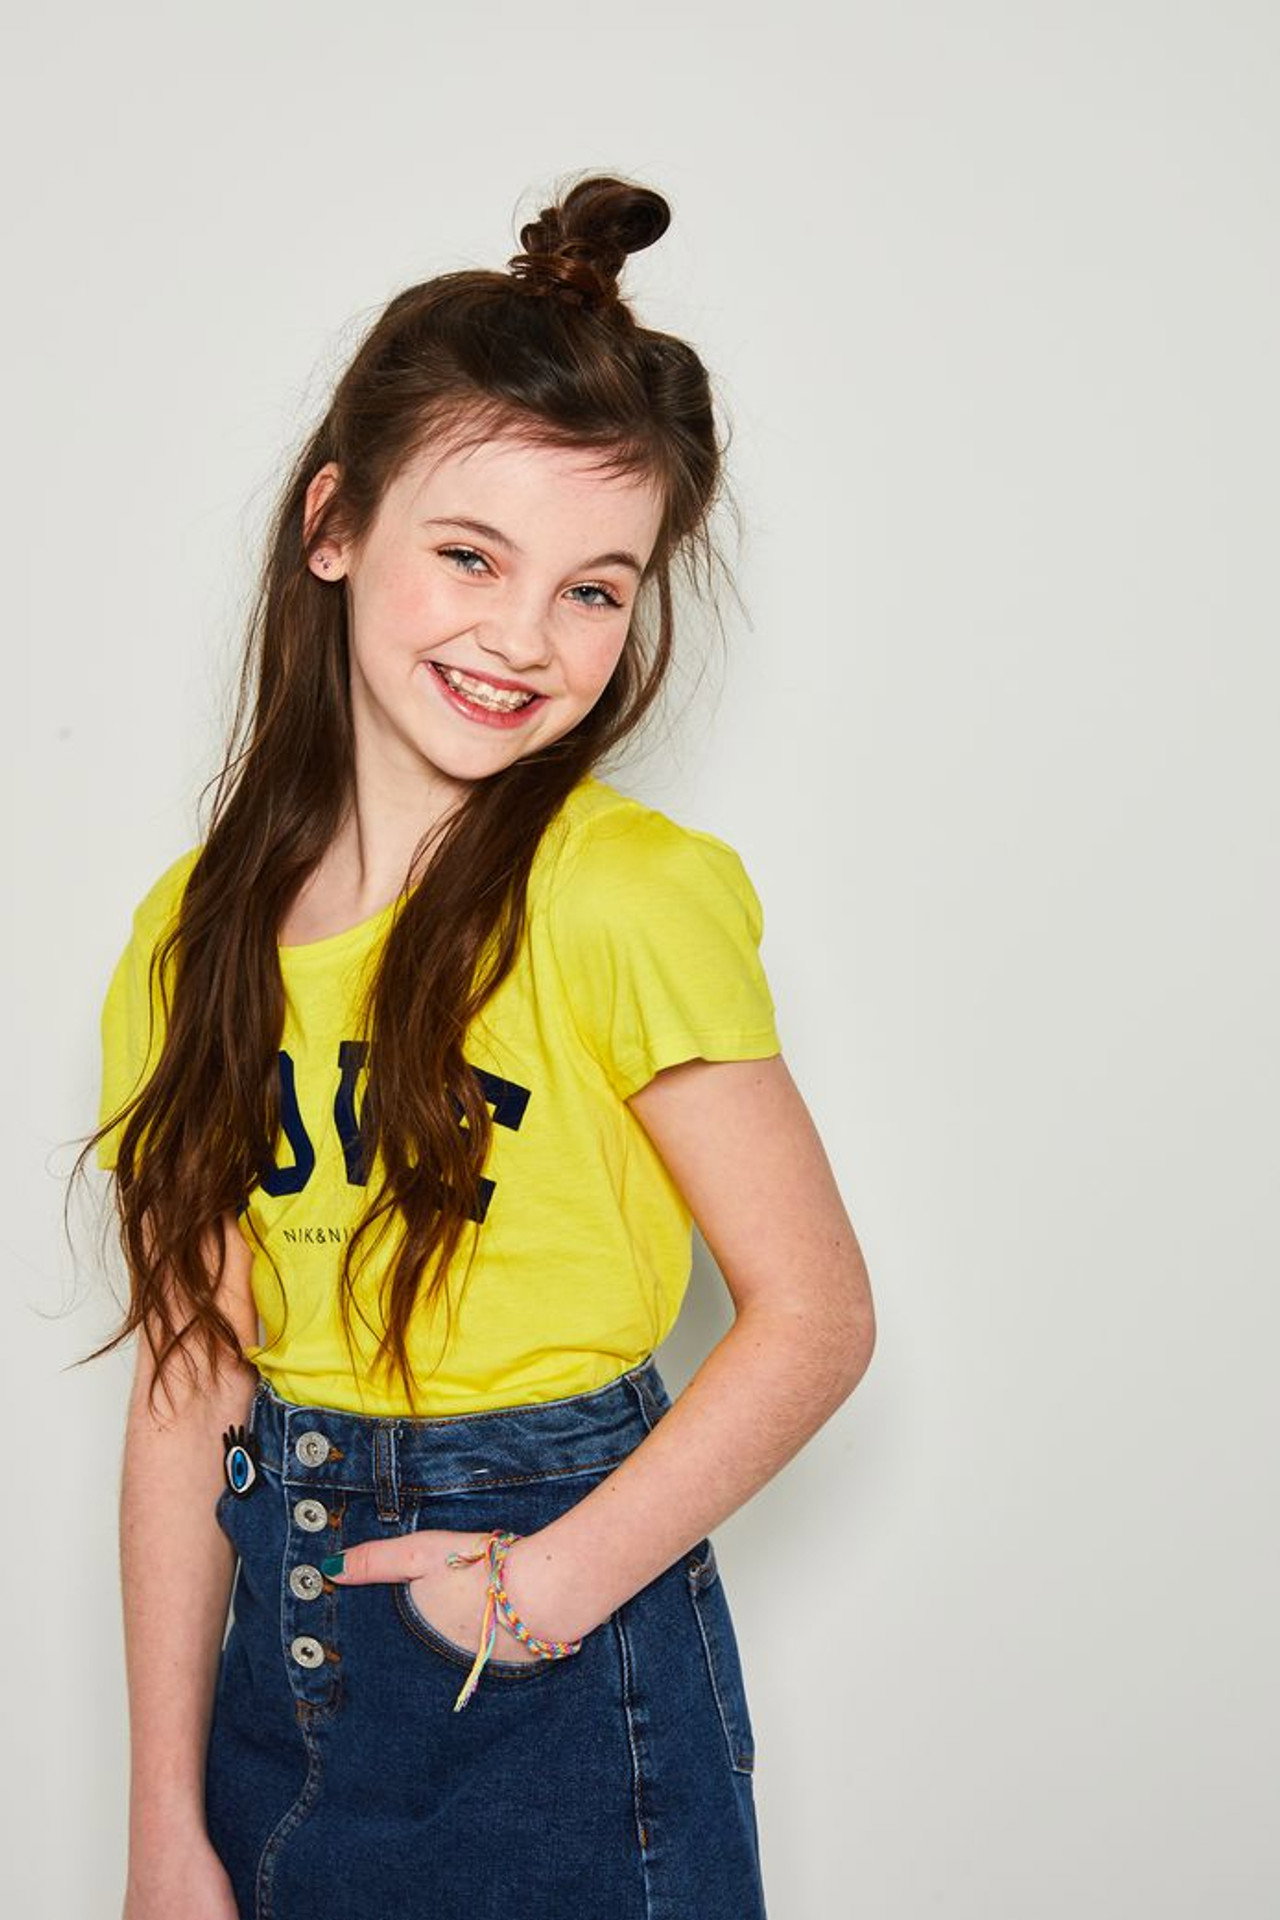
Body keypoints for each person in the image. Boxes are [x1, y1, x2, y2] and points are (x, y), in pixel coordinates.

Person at [82, 170, 876, 1920]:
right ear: (334, 525)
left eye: (596, 589)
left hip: (550, 1668)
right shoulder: (192, 933)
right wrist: (161, 1821)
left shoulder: (622, 894)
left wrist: (532, 1599)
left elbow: (817, 1314)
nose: (524, 638)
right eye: (470, 555)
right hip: (273, 1668)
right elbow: (189, 1384)